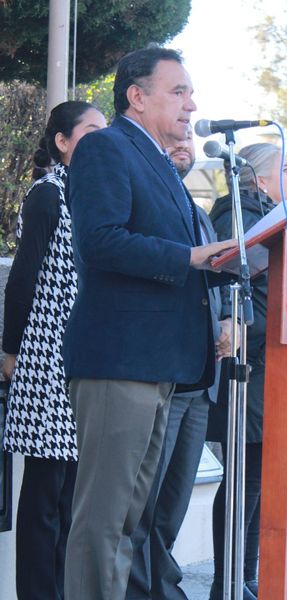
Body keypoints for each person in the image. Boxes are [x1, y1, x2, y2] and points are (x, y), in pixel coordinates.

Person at [61, 47, 235, 600]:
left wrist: (229, 261)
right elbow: (101, 241)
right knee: (104, 518)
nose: (192, 104)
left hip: (160, 362)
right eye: (178, 91)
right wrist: (192, 259)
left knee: (131, 520)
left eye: (190, 92)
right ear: (137, 97)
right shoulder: (106, 148)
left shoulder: (159, 162)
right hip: (121, 358)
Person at [1, 100, 106, 600]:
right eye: (90, 131)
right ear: (62, 142)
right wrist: (10, 349)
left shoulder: (95, 193)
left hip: (86, 353)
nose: (101, 140)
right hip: (45, 354)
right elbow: (22, 278)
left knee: (73, 494)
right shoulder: (48, 193)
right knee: (45, 491)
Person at [208, 142, 287, 600]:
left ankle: (247, 578)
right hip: (247, 365)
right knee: (244, 480)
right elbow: (230, 280)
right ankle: (230, 581)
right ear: (261, 176)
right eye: (286, 169)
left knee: (257, 479)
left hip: (273, 360)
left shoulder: (277, 216)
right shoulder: (236, 214)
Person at [126, 129, 234, 599]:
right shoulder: (150, 205)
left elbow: (220, 270)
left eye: (188, 140)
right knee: (142, 502)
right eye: (172, 140)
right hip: (162, 372)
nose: (183, 143)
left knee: (172, 503)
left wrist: (230, 316)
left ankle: (160, 583)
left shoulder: (198, 211)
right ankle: (143, 590)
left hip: (200, 377)